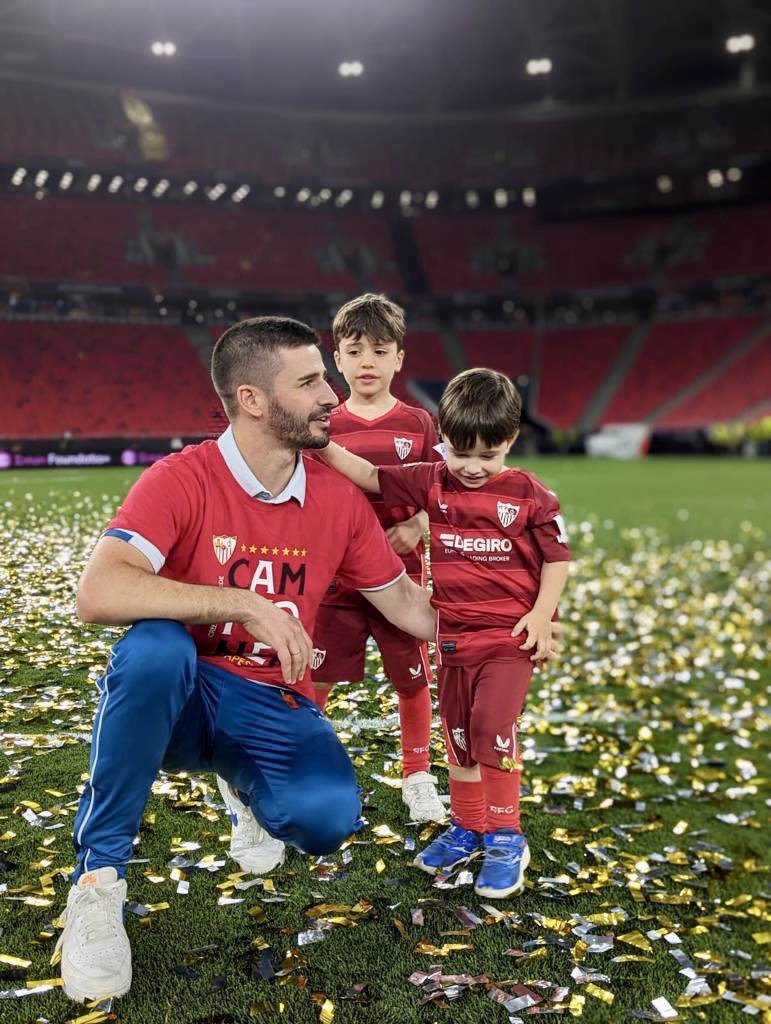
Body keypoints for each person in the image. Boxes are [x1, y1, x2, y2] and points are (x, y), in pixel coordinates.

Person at [57, 316, 437, 1003]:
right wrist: (238, 602)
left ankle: (242, 782)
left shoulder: (336, 499)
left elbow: (406, 605)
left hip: (268, 699)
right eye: (311, 380)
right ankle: (96, 883)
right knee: (153, 649)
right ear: (253, 399)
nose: (331, 393)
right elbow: (98, 592)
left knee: (326, 820)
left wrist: (505, 619)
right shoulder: (182, 477)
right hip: (181, 691)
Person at [318, 367, 570, 899]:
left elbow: (557, 558)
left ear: (511, 442)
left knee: (490, 727)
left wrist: (543, 613)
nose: (473, 468)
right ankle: (467, 827)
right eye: (460, 454)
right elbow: (370, 476)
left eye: (488, 456)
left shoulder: (529, 493)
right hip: (452, 639)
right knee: (457, 739)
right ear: (443, 443)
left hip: (508, 641)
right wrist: (320, 444)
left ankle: (506, 836)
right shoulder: (432, 480)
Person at [311, 293, 444, 823]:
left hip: (402, 587)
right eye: (355, 349)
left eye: (380, 350)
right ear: (336, 359)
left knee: (412, 681)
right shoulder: (321, 427)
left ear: (399, 359)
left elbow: (445, 495)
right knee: (313, 680)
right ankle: (315, 772)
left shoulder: (419, 423)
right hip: (334, 586)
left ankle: (417, 776)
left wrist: (418, 525)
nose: (367, 361)